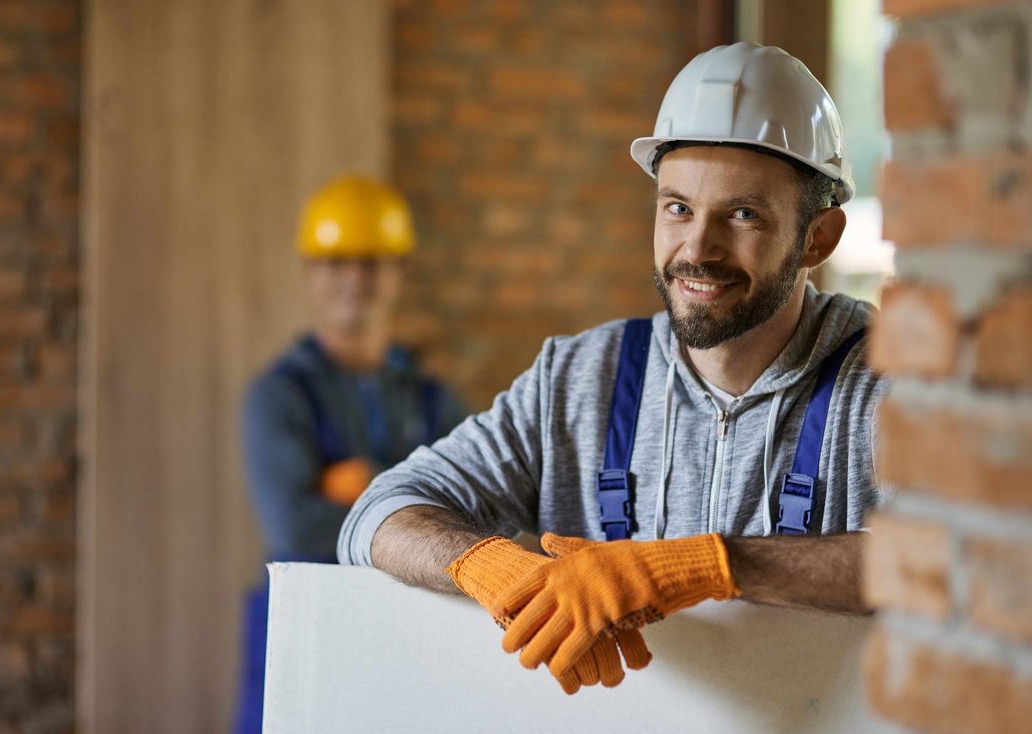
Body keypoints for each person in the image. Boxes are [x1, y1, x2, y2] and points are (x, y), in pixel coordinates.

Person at [337, 42, 888, 695]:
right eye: (678, 208)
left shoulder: (892, 385)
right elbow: (378, 514)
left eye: (743, 215)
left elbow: (967, 568)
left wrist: (710, 565)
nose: (697, 250)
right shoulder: (577, 380)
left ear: (818, 239)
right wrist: (490, 567)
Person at [234, 176, 468, 733]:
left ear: (400, 271)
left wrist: (360, 486)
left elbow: (478, 515)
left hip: (412, 634)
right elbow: (295, 524)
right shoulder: (278, 395)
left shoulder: (435, 399)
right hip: (305, 629)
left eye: (372, 262)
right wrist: (414, 515)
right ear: (310, 272)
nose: (354, 280)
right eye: (337, 262)